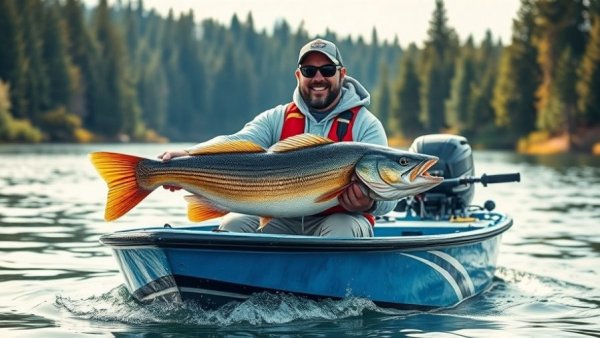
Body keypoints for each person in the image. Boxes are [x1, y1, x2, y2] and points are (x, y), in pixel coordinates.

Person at [159, 38, 396, 237]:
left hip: (340, 220)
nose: (318, 78)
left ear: (341, 74)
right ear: (298, 75)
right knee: (234, 225)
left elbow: (390, 199)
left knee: (341, 230)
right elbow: (237, 141)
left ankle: (332, 292)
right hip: (281, 219)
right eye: (309, 71)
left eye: (327, 70)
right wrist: (188, 156)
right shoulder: (277, 118)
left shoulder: (366, 125)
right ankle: (239, 290)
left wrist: (370, 203)